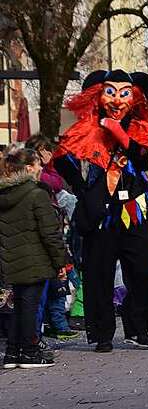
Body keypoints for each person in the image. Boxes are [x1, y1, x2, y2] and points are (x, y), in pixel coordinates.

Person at [53, 69, 148, 353]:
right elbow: (61, 158)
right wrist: (81, 188)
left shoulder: (141, 129)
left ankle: (138, 329)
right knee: (98, 273)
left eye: (123, 92)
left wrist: (122, 136)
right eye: (109, 92)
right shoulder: (87, 128)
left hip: (133, 209)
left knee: (141, 271)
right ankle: (102, 333)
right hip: (99, 211)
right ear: (98, 94)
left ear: (135, 96)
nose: (116, 99)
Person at [0, 149, 67, 369]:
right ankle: (29, 352)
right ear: (28, 168)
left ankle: (12, 352)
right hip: (35, 258)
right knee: (29, 306)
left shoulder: (4, 194)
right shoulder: (36, 194)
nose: (40, 168)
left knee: (17, 306)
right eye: (38, 164)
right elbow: (50, 233)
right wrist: (60, 262)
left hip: (10, 258)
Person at [25, 134, 76, 341]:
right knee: (38, 295)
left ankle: (37, 336)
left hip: (43, 241)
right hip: (39, 244)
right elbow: (55, 184)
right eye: (43, 153)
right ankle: (32, 341)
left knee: (46, 292)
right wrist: (46, 167)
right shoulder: (38, 182)